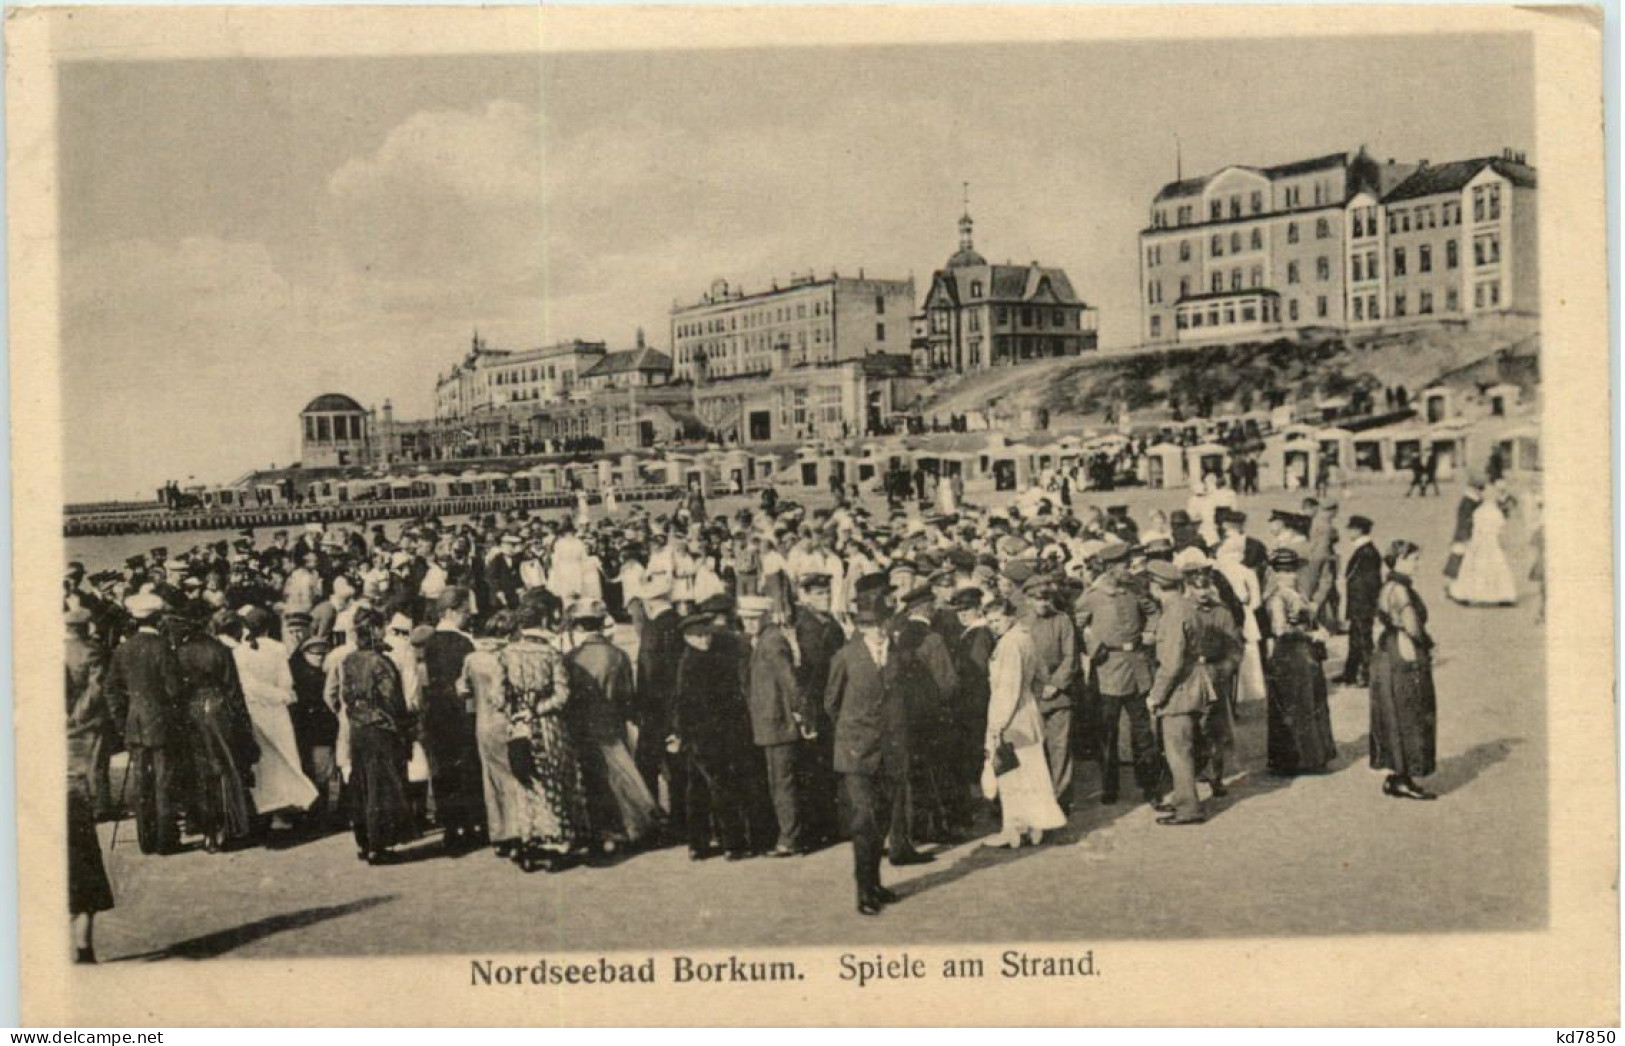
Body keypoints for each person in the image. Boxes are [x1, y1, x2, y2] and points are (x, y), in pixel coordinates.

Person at [824, 586, 924, 917]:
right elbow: (831, 703)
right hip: (857, 752)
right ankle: (863, 890)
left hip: (892, 750)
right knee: (864, 818)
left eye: (883, 624)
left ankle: (877, 883)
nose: (879, 631)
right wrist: (855, 733)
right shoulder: (846, 657)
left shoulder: (897, 657)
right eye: (871, 626)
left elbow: (904, 700)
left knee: (881, 818)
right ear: (861, 628)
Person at [564, 598, 661, 852]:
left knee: (591, 778)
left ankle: (600, 829)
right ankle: (626, 828)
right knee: (619, 776)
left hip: (582, 725)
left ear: (579, 627)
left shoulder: (572, 658)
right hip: (611, 721)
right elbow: (628, 694)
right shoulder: (618, 655)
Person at [501, 603, 591, 871]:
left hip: (519, 727)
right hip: (548, 726)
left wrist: (517, 713)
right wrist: (537, 709)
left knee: (526, 784)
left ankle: (532, 843)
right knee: (554, 780)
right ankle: (557, 843)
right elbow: (562, 696)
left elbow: (498, 696)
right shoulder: (551, 654)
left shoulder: (506, 654)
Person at [1073, 542, 1159, 807]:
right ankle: (1110, 786)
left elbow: (1153, 612)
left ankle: (1150, 787)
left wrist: (1150, 632)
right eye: (1124, 565)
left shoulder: (1134, 588)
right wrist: (1092, 645)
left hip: (1137, 667)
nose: (1129, 568)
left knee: (1143, 732)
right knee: (1107, 732)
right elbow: (1076, 626)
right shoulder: (1092, 595)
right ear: (1110, 568)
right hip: (1107, 669)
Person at [101, 592, 185, 855]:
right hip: (161, 723)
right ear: (158, 619)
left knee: (142, 782)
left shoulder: (122, 649)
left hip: (134, 723)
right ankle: (165, 840)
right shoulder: (162, 647)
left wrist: (121, 719)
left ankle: (146, 840)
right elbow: (174, 689)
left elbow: (111, 689)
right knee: (164, 780)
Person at [981, 598, 1066, 848]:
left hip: (1012, 716)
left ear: (1009, 617)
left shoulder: (1009, 644)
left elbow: (1008, 689)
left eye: (997, 620)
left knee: (1012, 775)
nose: (993, 626)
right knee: (1031, 772)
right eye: (990, 622)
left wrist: (998, 725)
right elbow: (1041, 674)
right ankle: (1034, 826)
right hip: (1028, 712)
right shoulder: (1025, 638)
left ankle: (1015, 829)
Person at [670, 609, 756, 861]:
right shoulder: (691, 663)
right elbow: (682, 702)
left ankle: (698, 844)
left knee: (697, 791)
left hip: (708, 736)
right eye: (698, 636)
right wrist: (681, 732)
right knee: (721, 788)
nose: (705, 640)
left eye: (706, 634)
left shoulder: (702, 658)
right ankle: (733, 843)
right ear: (687, 637)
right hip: (705, 737)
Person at [334, 607, 417, 864]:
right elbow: (393, 699)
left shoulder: (349, 660)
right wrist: (404, 728)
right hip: (381, 728)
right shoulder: (381, 662)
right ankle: (379, 845)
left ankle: (364, 841)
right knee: (382, 786)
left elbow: (345, 696)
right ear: (376, 629)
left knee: (362, 785)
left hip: (358, 728)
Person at [175, 613, 259, 852]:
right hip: (219, 708)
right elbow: (234, 690)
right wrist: (244, 726)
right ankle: (229, 828)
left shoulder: (181, 651)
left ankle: (208, 832)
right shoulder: (220, 650)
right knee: (225, 767)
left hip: (191, 710)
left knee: (201, 771)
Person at [231, 607, 318, 829]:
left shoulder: (239, 652)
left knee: (262, 761)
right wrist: (282, 696)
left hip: (255, 710)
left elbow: (247, 686)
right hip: (277, 710)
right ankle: (288, 809)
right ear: (268, 627)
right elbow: (286, 682)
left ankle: (264, 810)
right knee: (285, 757)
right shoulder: (278, 649)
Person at [1144, 561, 1213, 826]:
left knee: (1178, 750)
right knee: (1185, 747)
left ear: (1156, 586)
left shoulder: (1173, 614)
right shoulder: (1187, 607)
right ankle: (1184, 798)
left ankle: (1188, 808)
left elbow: (1171, 663)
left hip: (1179, 691)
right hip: (1194, 685)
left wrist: (1156, 695)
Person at [741, 595, 811, 856]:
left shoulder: (772, 642)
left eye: (753, 618)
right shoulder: (763, 640)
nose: (748, 623)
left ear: (765, 616)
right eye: (745, 618)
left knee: (783, 783)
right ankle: (789, 834)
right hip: (769, 724)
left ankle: (790, 839)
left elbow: (790, 682)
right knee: (779, 782)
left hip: (778, 724)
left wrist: (799, 712)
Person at [1369, 541, 1439, 800]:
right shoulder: (1400, 590)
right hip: (1404, 650)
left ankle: (1396, 776)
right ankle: (1403, 777)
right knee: (1411, 712)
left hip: (1389, 650)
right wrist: (1428, 644)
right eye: (1413, 559)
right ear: (1399, 560)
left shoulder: (1388, 586)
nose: (1417, 564)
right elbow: (1411, 626)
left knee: (1394, 711)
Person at [1262, 548, 1337, 775]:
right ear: (1276, 573)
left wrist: (1318, 628)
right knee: (1295, 705)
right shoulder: (1277, 597)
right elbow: (1280, 629)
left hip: (1304, 656)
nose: (1291, 575)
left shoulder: (1298, 594)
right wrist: (1310, 635)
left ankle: (1312, 756)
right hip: (1289, 656)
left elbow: (1307, 620)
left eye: (1293, 570)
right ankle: (1293, 759)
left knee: (1310, 702)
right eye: (1285, 571)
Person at [66, 608, 114, 962]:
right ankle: (84, 947)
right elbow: (96, 688)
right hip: (79, 731)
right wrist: (77, 718)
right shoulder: (91, 650)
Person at [421, 588, 483, 851]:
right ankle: (469, 826)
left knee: (444, 772)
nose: (468, 617)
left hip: (436, 714)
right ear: (451, 611)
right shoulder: (465, 642)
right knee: (466, 770)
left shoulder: (429, 642)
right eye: (465, 612)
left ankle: (450, 828)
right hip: (461, 713)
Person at [460, 612, 523, 858]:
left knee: (491, 778)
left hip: (483, 723)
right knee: (514, 777)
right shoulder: (509, 656)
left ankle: (498, 835)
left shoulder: (473, 659)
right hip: (507, 722)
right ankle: (517, 830)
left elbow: (462, 689)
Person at [1448, 479, 1518, 606]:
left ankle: (1471, 593)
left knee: (1477, 567)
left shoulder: (1480, 511)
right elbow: (1500, 529)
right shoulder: (1494, 512)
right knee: (1496, 567)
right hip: (1491, 543)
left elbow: (1477, 528)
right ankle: (1502, 594)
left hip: (1480, 542)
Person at [1338, 515, 1383, 687]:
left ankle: (1366, 674)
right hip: (1359, 602)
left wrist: (1370, 605)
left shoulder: (1367, 553)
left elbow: (1371, 583)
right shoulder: (1364, 550)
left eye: (1351, 529)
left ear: (1358, 530)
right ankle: (1350, 673)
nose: (1348, 531)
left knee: (1364, 639)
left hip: (1362, 603)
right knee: (1355, 637)